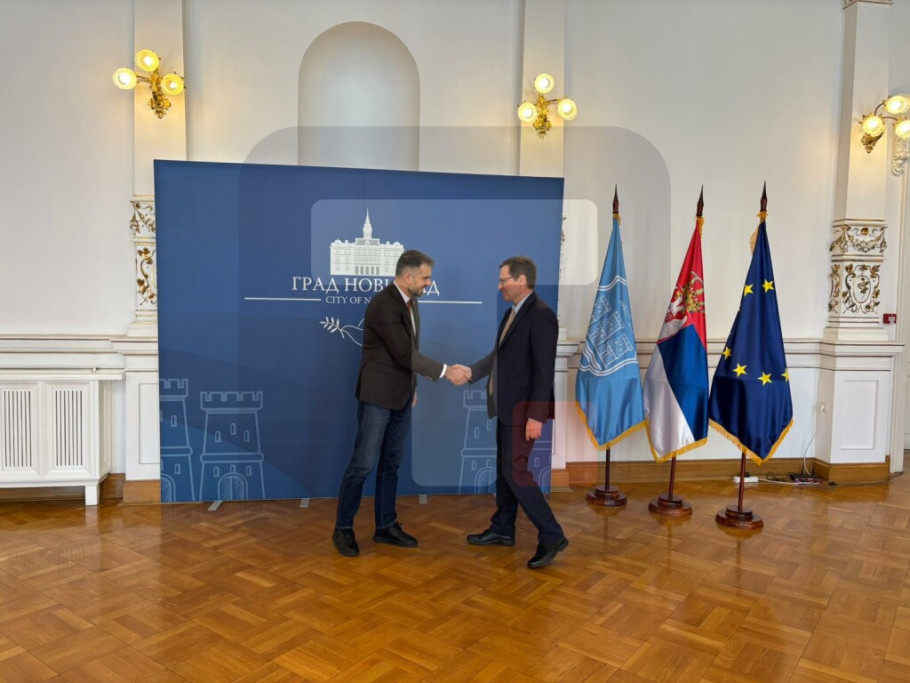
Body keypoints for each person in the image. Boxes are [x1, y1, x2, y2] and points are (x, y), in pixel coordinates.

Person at [333, 249, 470, 557]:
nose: (429, 283)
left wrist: (413, 386)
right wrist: (447, 372)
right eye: (425, 278)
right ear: (408, 277)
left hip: (401, 395)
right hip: (377, 397)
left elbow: (409, 351)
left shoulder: (411, 301)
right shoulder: (383, 304)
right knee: (363, 463)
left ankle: (385, 526)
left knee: (392, 463)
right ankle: (342, 528)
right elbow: (404, 354)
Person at [466, 255, 568, 569]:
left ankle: (551, 534)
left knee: (516, 471)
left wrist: (536, 415)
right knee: (504, 471)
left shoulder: (541, 315)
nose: (500, 286)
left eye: (504, 280)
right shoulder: (512, 314)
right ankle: (502, 528)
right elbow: (499, 357)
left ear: (521, 280)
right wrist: (470, 372)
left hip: (524, 412)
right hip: (506, 407)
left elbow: (543, 370)